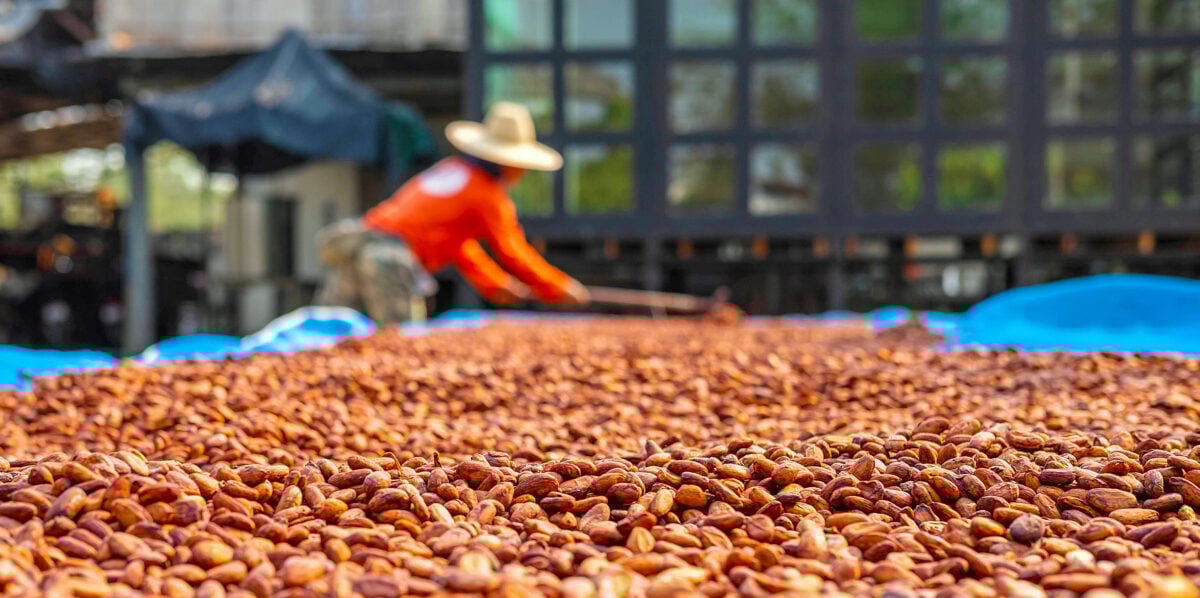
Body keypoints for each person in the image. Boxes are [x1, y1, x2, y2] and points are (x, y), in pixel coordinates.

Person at [316, 102, 590, 325]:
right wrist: (559, 286)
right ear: (509, 163)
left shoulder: (453, 169)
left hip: (359, 246)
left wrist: (494, 284)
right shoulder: (487, 195)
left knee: (331, 337)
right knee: (397, 345)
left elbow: (459, 247)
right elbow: (512, 250)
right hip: (390, 260)